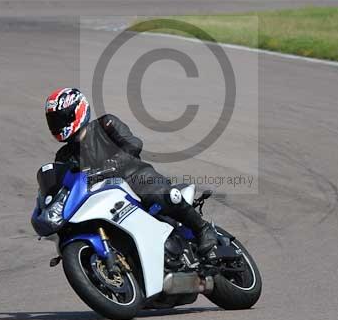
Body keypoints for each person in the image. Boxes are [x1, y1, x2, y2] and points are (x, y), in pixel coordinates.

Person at [44, 87, 219, 253]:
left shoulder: (105, 124)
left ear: (77, 111)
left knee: (160, 194)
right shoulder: (63, 157)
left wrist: (114, 163)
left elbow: (133, 144)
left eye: (60, 119)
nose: (57, 124)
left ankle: (203, 228)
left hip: (133, 176)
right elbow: (66, 185)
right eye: (53, 121)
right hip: (102, 197)